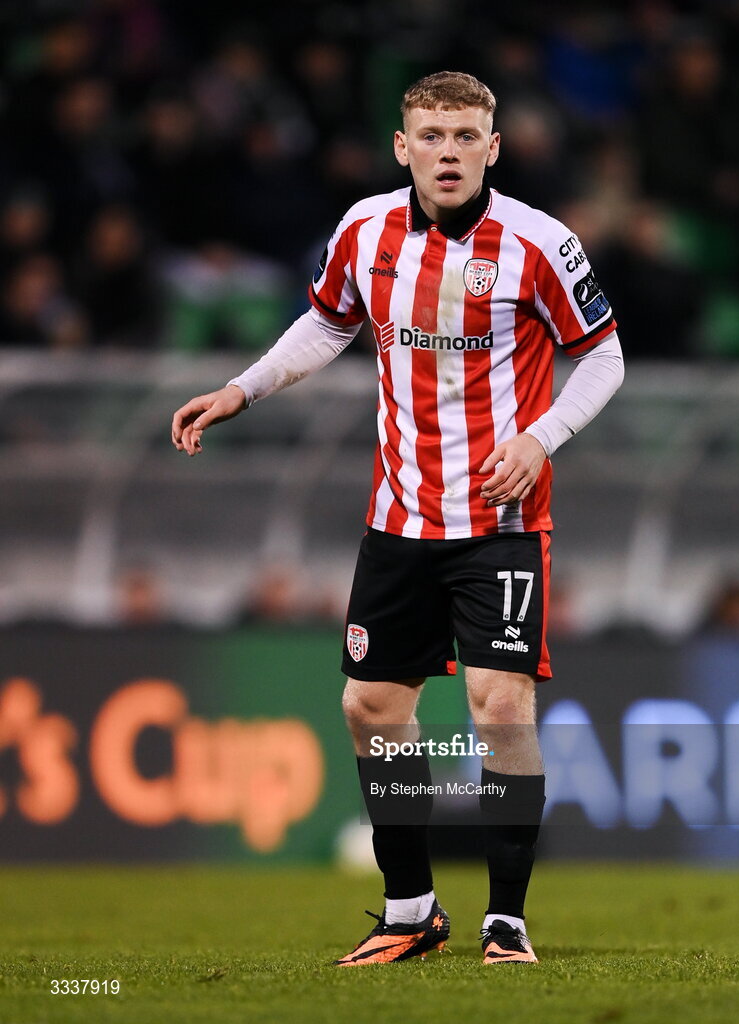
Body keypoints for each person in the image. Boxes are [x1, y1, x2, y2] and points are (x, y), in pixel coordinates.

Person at [172, 71, 624, 966]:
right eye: (430, 135)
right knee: (372, 707)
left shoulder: (540, 242)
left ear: (493, 148)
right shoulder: (363, 229)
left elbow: (603, 357)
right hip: (400, 518)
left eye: (464, 136)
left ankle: (506, 922)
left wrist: (541, 438)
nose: (447, 152)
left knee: (498, 707)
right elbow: (324, 323)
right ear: (401, 146)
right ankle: (410, 910)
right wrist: (241, 388)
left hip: (499, 516)